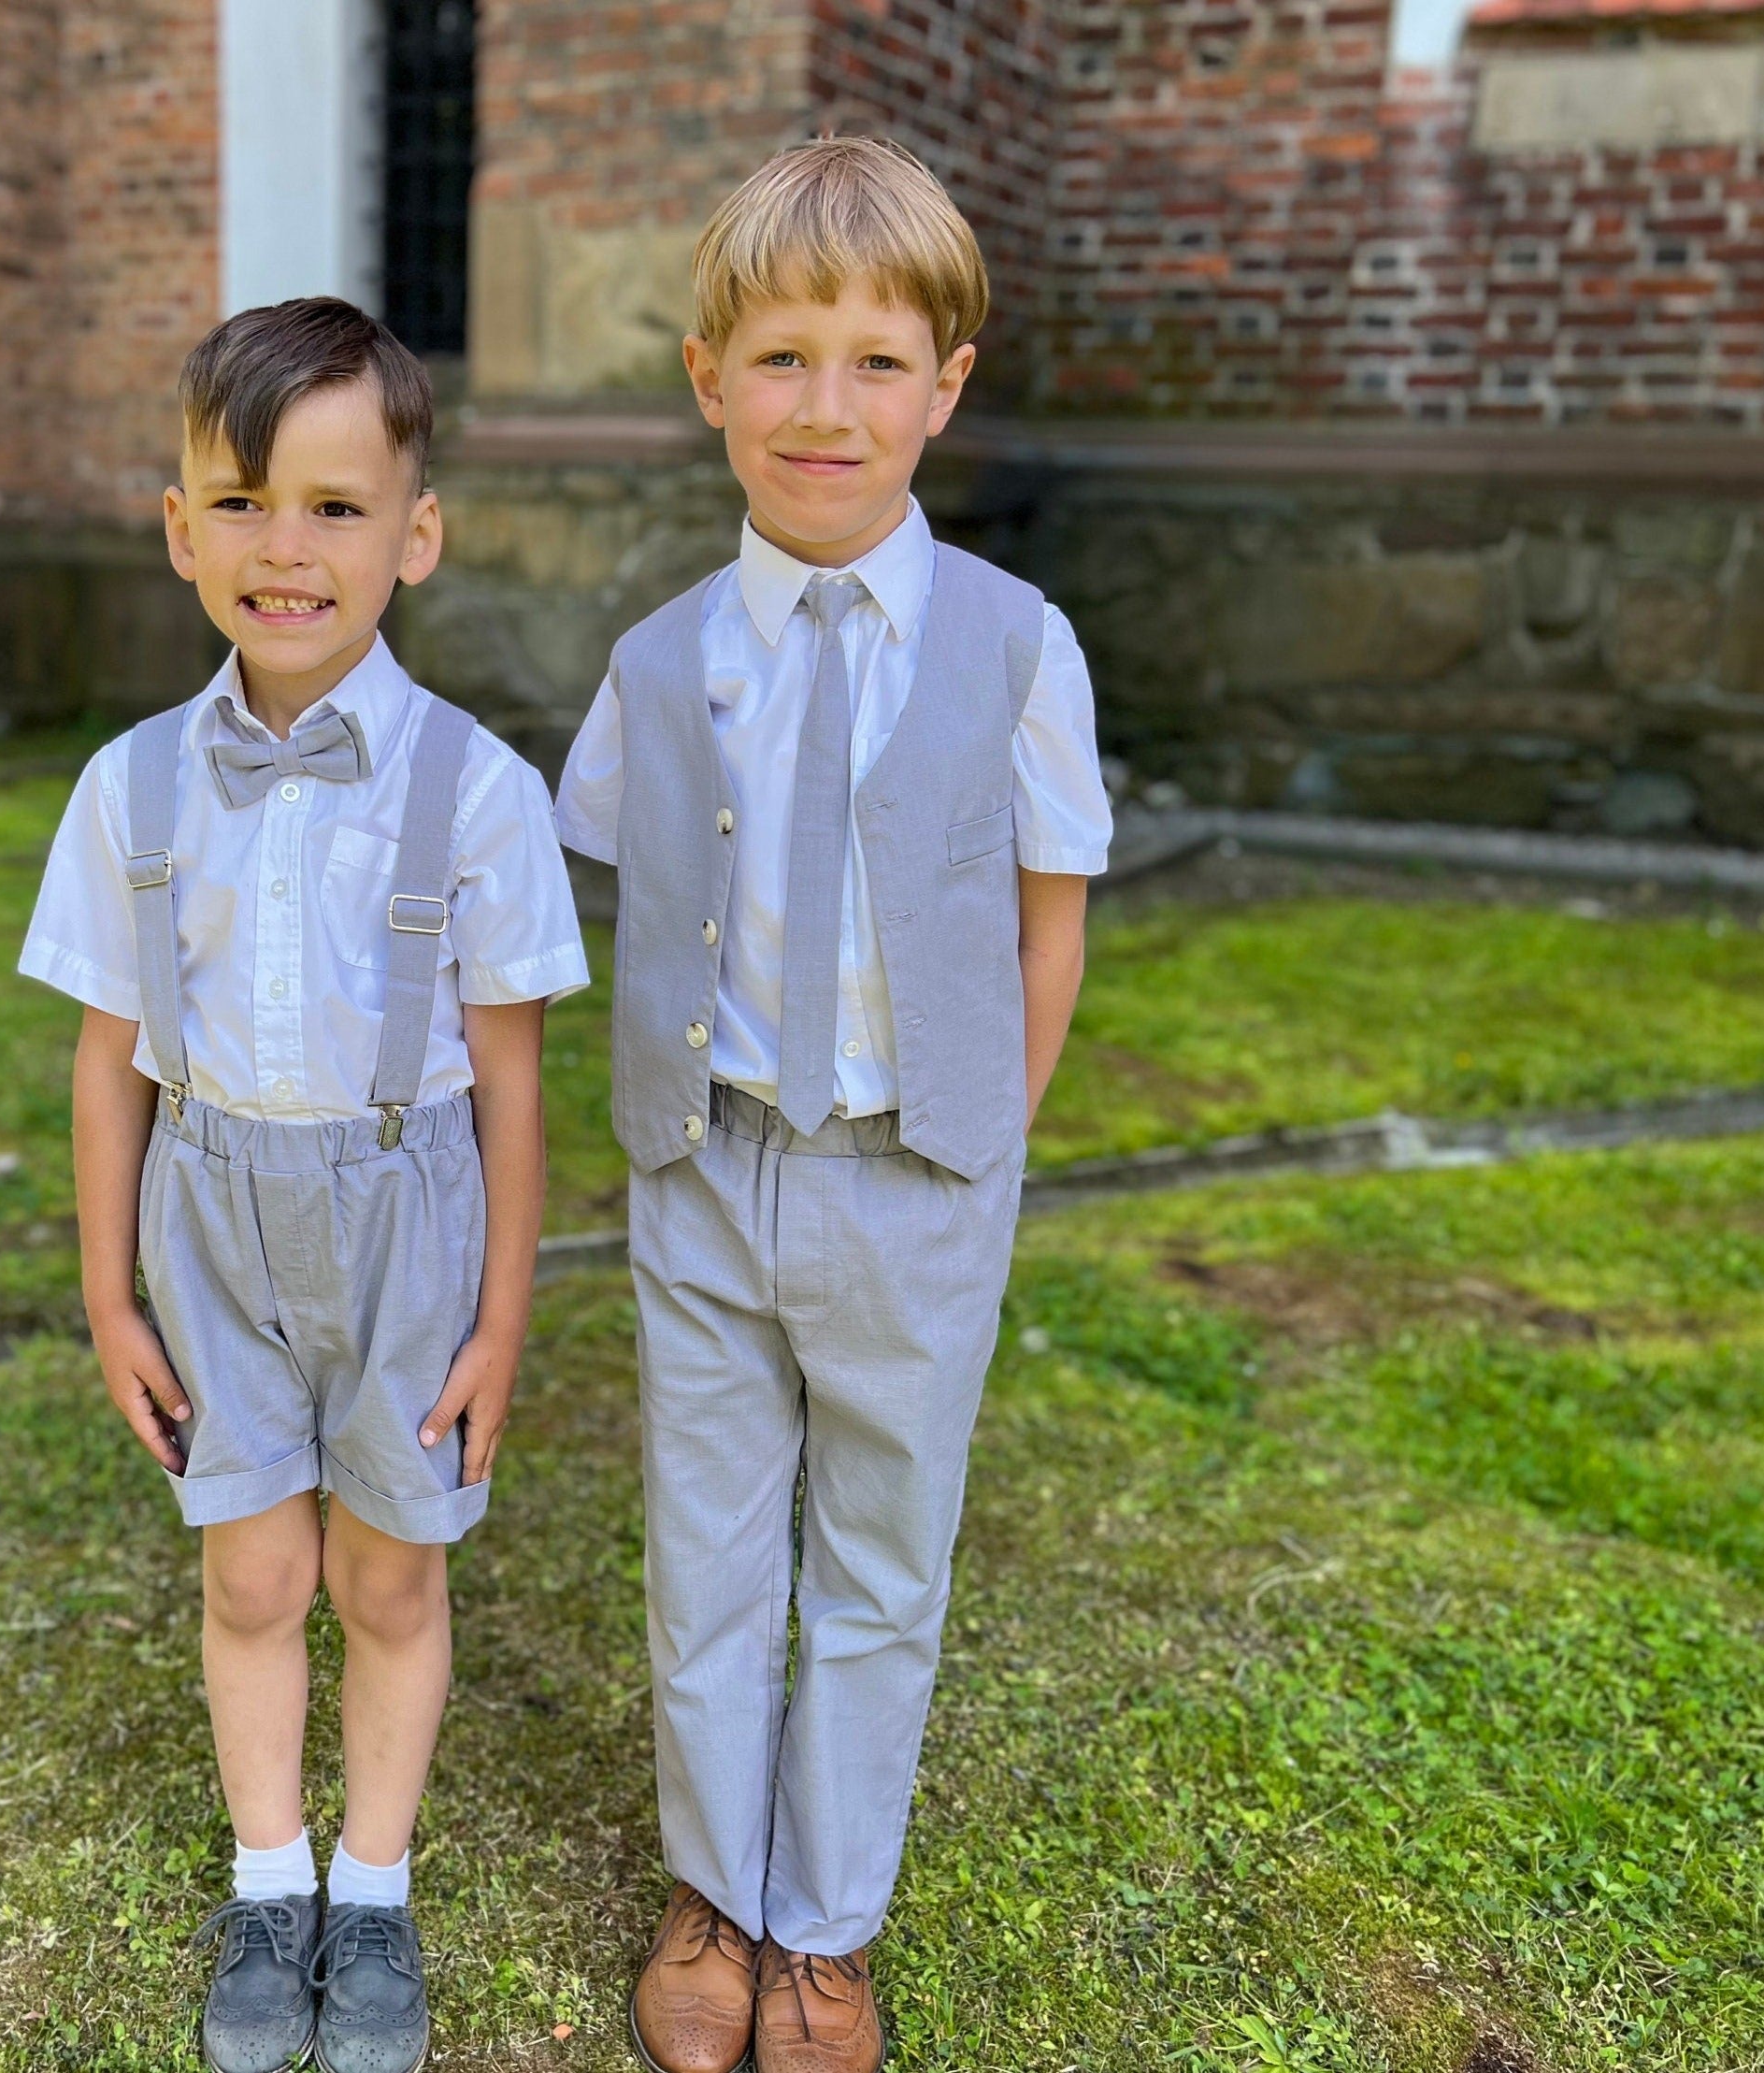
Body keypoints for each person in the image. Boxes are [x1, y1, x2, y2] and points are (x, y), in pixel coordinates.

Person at [556, 138, 1111, 2073]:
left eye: (876, 363)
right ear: (709, 374)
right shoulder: (655, 662)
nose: (826, 407)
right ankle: (714, 1882)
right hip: (706, 1166)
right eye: (782, 358)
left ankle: (824, 1923)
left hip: (916, 1170)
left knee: (881, 1556)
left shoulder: (1016, 646)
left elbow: (1047, 920)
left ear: (941, 389)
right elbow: (633, 898)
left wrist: (986, 1140)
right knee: (706, 1539)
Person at [20, 296, 588, 2073]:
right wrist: (108, 1290)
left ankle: (375, 1885)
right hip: (210, 1224)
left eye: (337, 507)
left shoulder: (480, 793)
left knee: (390, 1583)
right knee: (257, 1576)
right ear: (181, 527)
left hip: (410, 1223)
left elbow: (508, 1079)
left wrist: (502, 1321)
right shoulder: (127, 790)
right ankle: (271, 1882)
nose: (288, 547)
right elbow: (111, 1056)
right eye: (244, 500)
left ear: (413, 536)